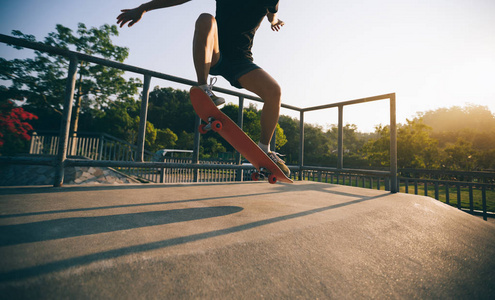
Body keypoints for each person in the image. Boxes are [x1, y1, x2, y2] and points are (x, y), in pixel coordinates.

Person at [117, 0, 290, 177]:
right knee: (206, 19)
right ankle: (203, 87)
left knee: (274, 91)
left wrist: (274, 21)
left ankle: (264, 149)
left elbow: (271, 13)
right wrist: (144, 7)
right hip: (214, 53)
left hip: (241, 61)